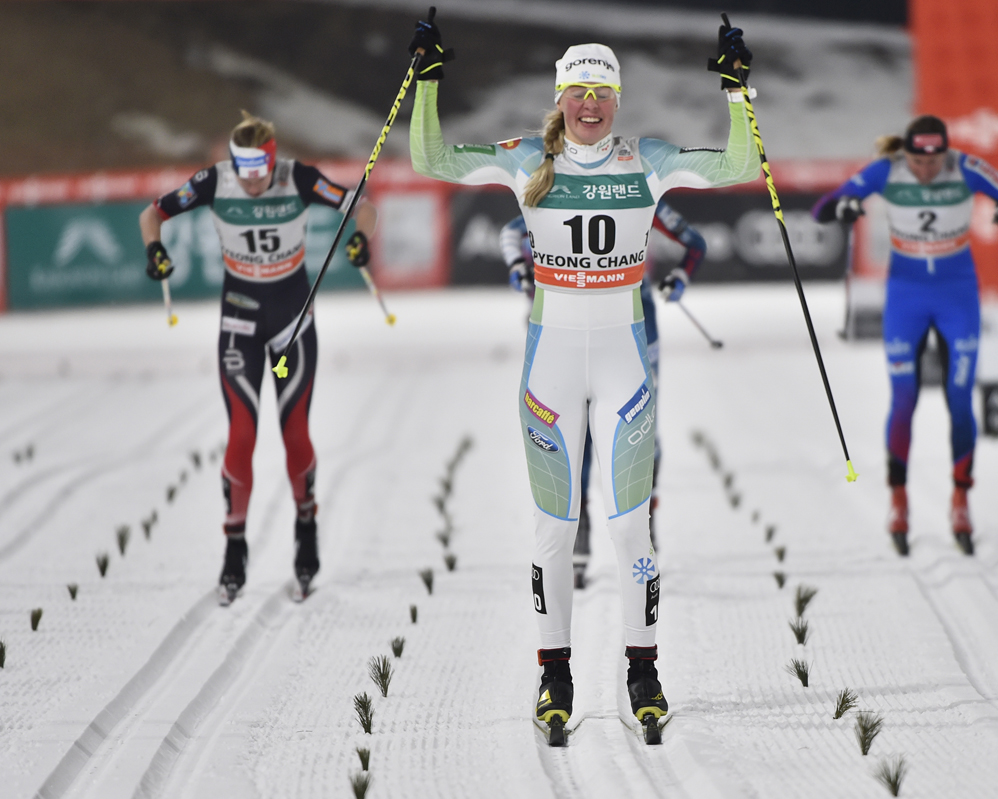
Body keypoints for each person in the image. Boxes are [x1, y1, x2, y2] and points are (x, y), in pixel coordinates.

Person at [408, 18, 757, 741]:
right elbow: (431, 159)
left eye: (602, 92)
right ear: (560, 96)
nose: (590, 104)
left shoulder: (647, 159)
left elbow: (739, 168)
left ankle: (643, 670)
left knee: (633, 528)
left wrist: (737, 92)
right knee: (553, 532)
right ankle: (555, 675)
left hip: (625, 357)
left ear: (617, 100)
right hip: (552, 361)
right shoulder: (526, 158)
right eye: (578, 92)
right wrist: (428, 80)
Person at [139, 111, 378, 603]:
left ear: (271, 162)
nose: (251, 184)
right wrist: (154, 251)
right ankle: (234, 547)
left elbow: (364, 207)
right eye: (244, 173)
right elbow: (152, 214)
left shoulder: (297, 177)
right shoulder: (216, 182)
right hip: (240, 326)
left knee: (294, 435)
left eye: (259, 173)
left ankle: (306, 526)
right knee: (242, 434)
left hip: (291, 327)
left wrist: (360, 238)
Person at [814, 115, 998, 557]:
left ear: (946, 152)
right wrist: (844, 207)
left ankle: (961, 500)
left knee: (960, 397)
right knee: (903, 398)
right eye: (918, 161)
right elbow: (826, 206)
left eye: (934, 161)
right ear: (907, 153)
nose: (926, 170)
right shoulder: (886, 169)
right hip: (906, 296)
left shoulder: (967, 167)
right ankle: (898, 500)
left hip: (957, 295)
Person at [500, 200, 707, 589]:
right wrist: (518, 268)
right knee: (571, 431)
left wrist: (680, 276)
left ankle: (644, 527)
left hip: (636, 331)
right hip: (568, 329)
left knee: (639, 432)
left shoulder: (637, 190)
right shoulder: (557, 187)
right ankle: (578, 535)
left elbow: (694, 243)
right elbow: (511, 232)